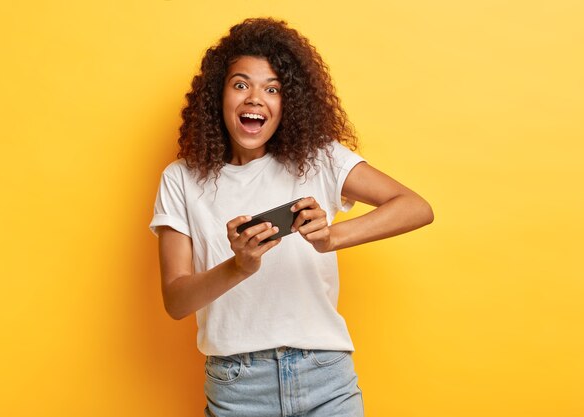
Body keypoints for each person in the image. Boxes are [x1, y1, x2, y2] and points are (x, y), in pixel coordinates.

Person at [150, 17, 433, 417]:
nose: (254, 99)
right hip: (237, 388)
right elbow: (176, 301)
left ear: (289, 103)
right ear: (219, 94)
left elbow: (415, 207)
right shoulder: (181, 179)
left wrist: (331, 238)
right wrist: (239, 266)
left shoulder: (319, 159)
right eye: (241, 84)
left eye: (272, 89)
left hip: (326, 378)